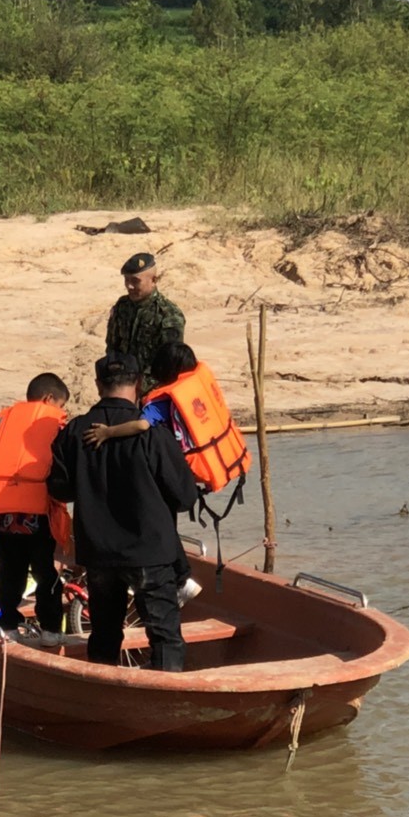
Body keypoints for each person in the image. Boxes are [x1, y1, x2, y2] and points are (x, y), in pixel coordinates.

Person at [47, 353, 198, 671]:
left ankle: (102, 697)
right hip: (150, 551)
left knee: (103, 633)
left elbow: (59, 490)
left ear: (99, 385)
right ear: (139, 384)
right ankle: (164, 699)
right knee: (164, 635)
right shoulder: (153, 433)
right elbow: (185, 497)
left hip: (99, 552)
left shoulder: (75, 432)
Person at [82, 341, 253, 607]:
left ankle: (182, 578)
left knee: (160, 523)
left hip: (177, 466)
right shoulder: (195, 385)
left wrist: (108, 432)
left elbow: (140, 424)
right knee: (164, 522)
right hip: (197, 466)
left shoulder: (161, 401)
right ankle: (181, 577)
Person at [0, 373, 72, 647]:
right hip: (34, 514)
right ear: (48, 400)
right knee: (45, 572)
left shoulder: (6, 420)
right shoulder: (52, 423)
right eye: (60, 404)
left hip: (0, 512)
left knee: (9, 569)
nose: (61, 411)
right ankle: (50, 630)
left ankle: (8, 624)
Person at [104, 252, 186, 393]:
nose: (129, 286)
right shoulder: (122, 306)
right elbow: (112, 347)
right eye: (126, 280)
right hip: (121, 387)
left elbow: (170, 363)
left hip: (153, 391)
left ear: (153, 280)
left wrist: (140, 388)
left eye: (135, 281)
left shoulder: (168, 315)